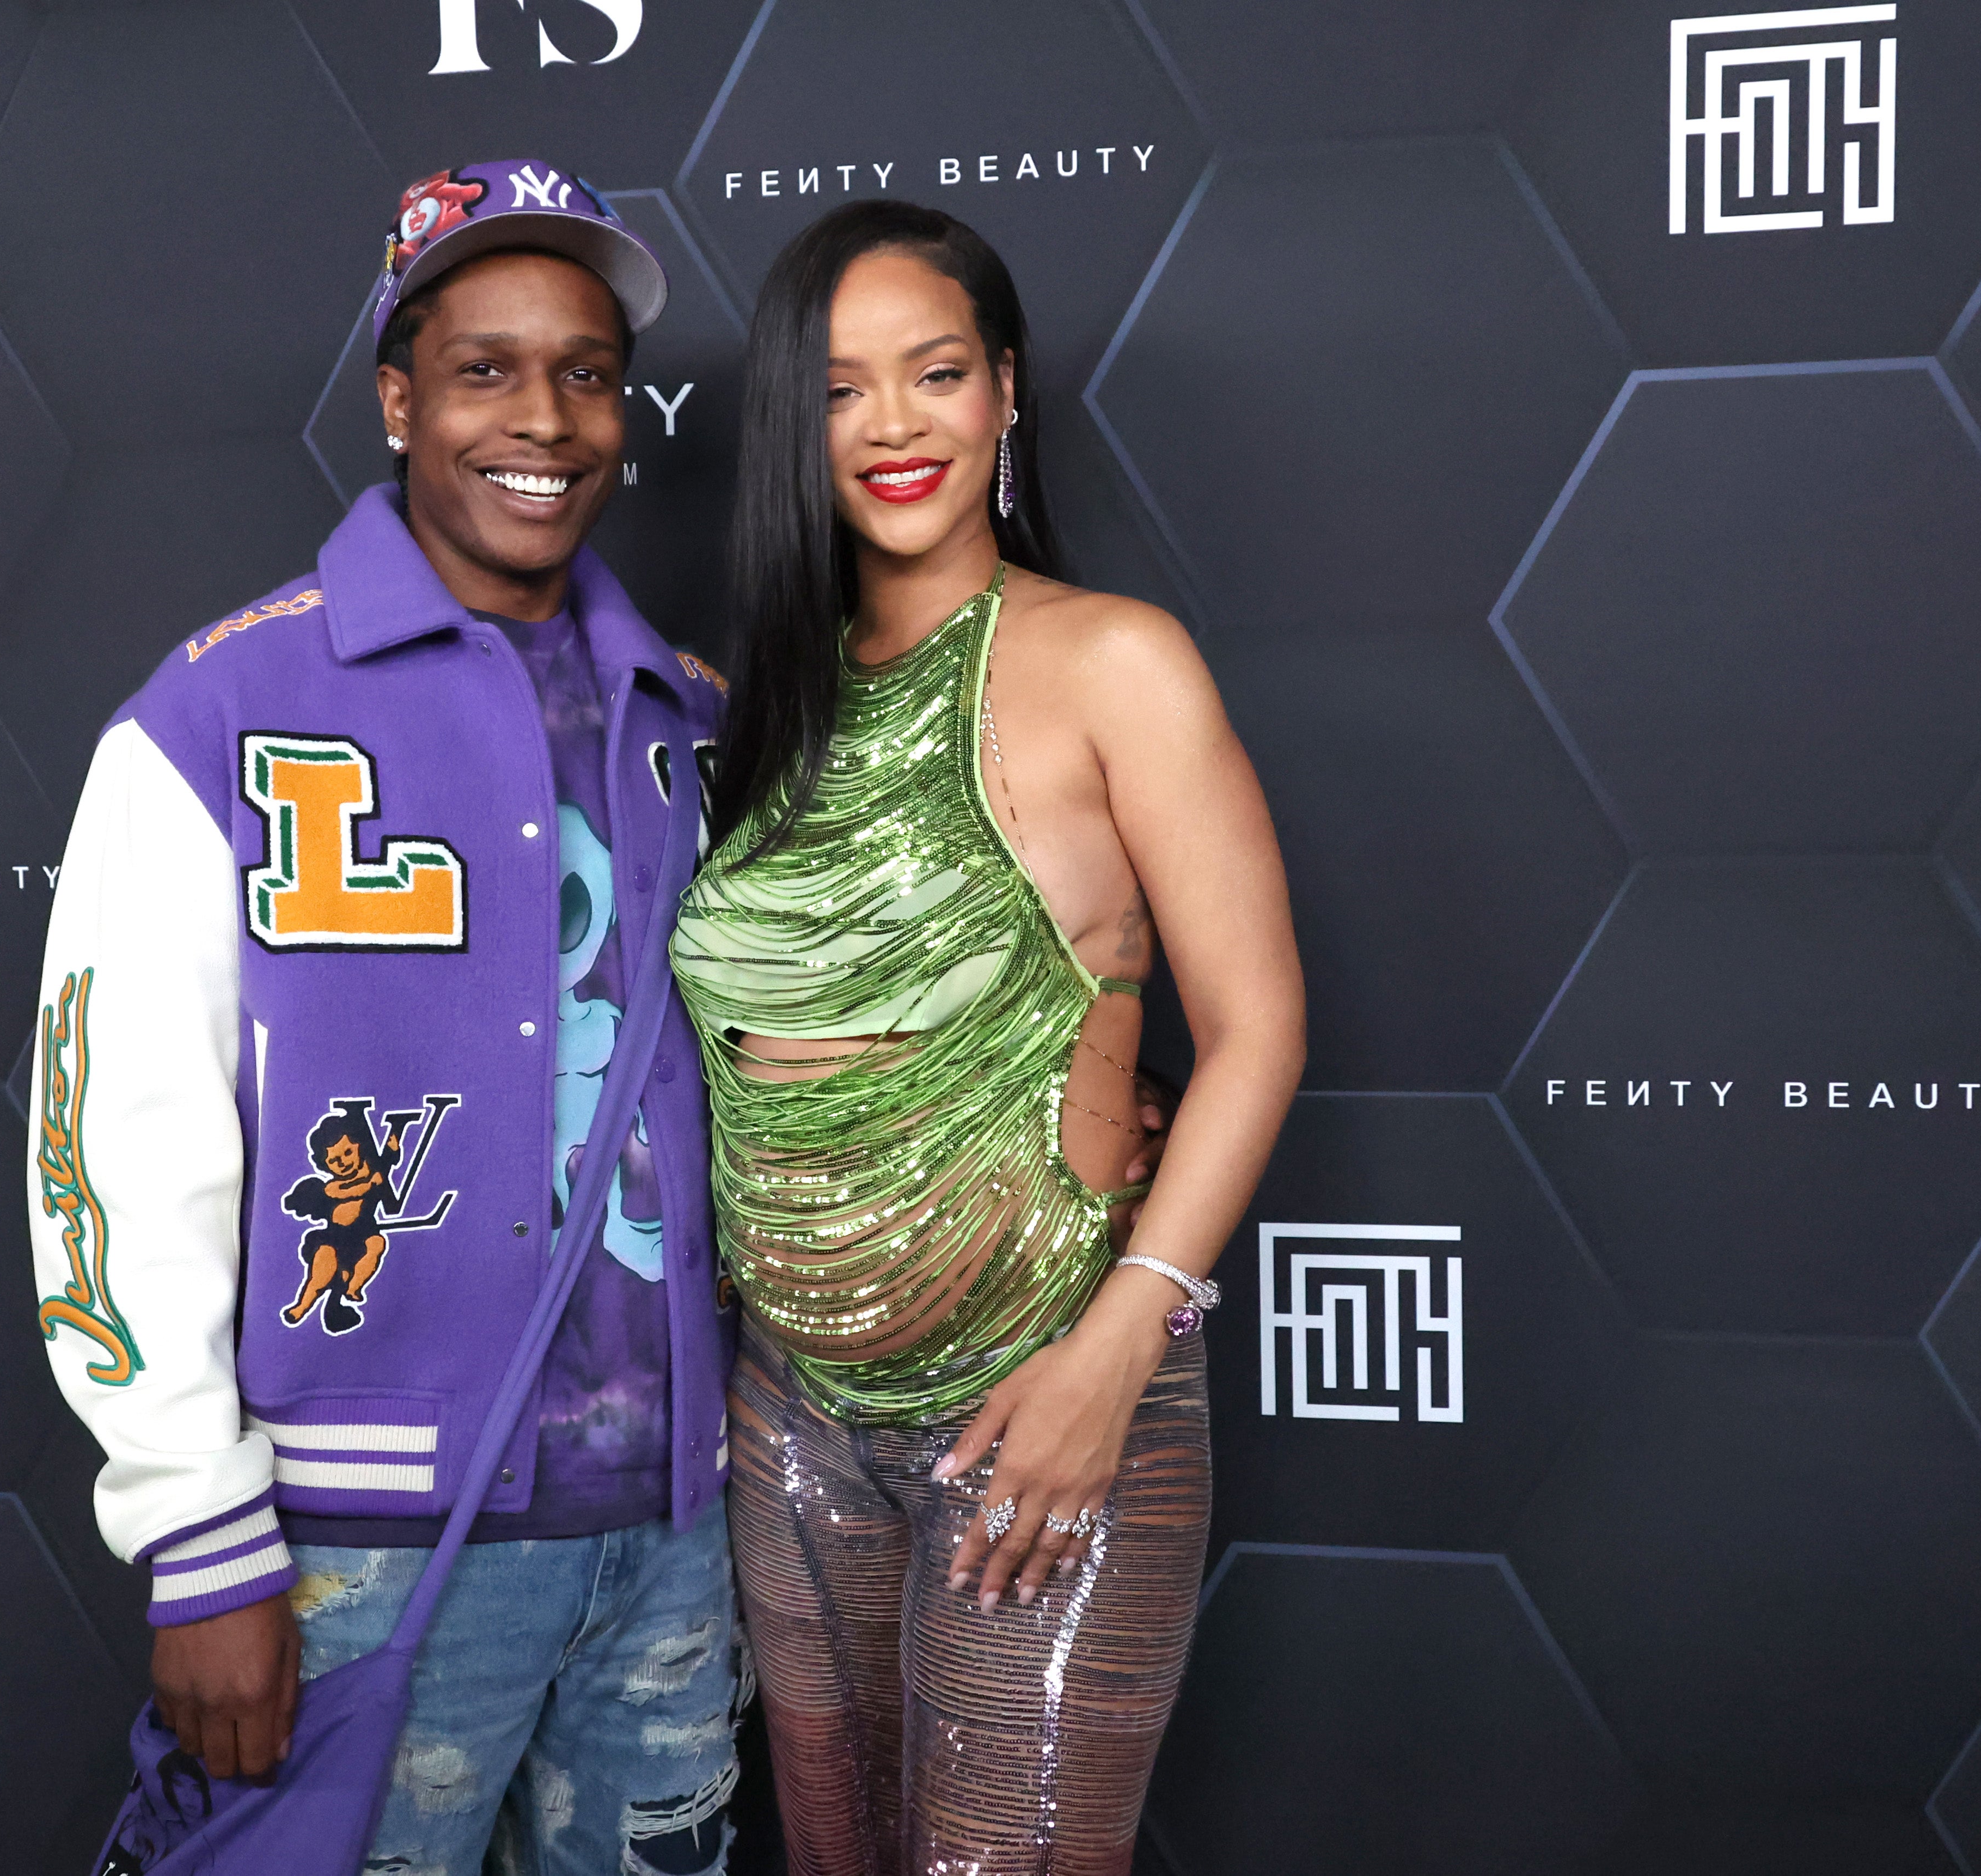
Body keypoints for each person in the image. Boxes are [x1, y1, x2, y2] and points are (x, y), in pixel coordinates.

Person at [28, 160, 749, 1876]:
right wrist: (200, 1540)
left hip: (673, 1538)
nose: (547, 419)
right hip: (358, 1553)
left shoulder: (701, 716)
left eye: (585, 371)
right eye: (487, 367)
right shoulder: (215, 714)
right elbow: (108, 1143)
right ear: (398, 396)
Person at [671, 201, 1305, 1873]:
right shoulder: (759, 712)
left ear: (1006, 391)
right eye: (836, 392)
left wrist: (1119, 1348)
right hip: (789, 1425)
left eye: (935, 373)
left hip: (1048, 1410)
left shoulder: (1115, 665)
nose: (891, 426)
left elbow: (1257, 1027)